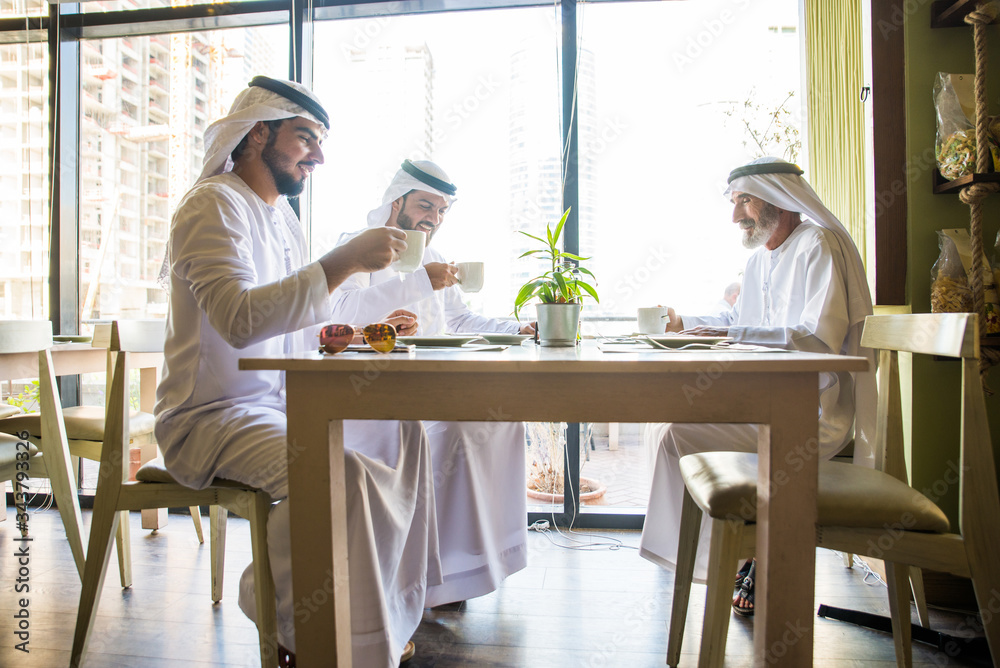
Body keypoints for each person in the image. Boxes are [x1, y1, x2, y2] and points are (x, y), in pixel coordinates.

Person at [153, 76, 439, 667]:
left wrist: (356, 333)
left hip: (280, 403)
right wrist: (343, 262)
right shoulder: (211, 204)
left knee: (402, 434)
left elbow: (296, 326)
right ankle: (288, 616)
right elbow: (238, 319)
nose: (319, 157)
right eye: (306, 139)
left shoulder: (281, 216)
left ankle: (369, 617)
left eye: (321, 142)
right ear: (259, 133)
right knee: (340, 472)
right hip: (211, 416)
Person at [640, 157, 875, 617]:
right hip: (765, 404)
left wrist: (733, 333)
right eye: (734, 203)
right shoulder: (759, 261)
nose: (735, 216)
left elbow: (818, 338)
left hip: (809, 415)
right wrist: (684, 322)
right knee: (662, 426)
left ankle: (726, 559)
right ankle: (733, 553)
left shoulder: (817, 245)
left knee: (675, 435)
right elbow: (736, 321)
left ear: (778, 198)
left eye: (744, 201)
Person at [327, 160, 531, 608]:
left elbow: (460, 320)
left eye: (441, 211)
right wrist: (415, 287)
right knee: (458, 432)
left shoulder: (434, 257)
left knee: (501, 423)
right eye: (425, 206)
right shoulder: (357, 246)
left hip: (432, 388)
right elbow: (336, 315)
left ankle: (469, 568)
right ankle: (430, 578)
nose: (433, 219)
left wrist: (517, 328)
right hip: (370, 395)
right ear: (396, 200)